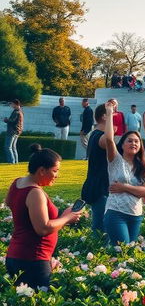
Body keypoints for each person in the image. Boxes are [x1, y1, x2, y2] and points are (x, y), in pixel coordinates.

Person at [5, 144, 83, 289]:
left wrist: (62, 215)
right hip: (32, 259)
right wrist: (67, 218)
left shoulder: (17, 183)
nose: (57, 175)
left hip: (16, 255)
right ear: (41, 170)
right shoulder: (35, 192)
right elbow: (43, 228)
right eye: (55, 171)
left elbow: (10, 203)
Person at [103, 101, 145, 245]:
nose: (133, 144)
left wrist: (124, 187)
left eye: (137, 141)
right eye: (129, 141)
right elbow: (109, 139)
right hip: (116, 213)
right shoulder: (115, 160)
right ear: (122, 144)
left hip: (136, 215)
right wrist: (110, 112)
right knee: (121, 250)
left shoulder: (143, 166)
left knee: (130, 253)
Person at [81, 103, 109, 232]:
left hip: (96, 185)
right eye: (111, 114)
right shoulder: (100, 136)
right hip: (100, 187)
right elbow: (109, 139)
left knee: (100, 225)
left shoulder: (95, 134)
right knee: (100, 228)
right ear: (104, 116)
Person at [3, 99, 23, 164]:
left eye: (12, 104)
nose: (11, 105)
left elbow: (12, 121)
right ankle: (15, 162)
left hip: (12, 131)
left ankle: (11, 162)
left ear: (16, 104)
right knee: (13, 148)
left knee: (8, 147)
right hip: (17, 131)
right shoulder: (20, 111)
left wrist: (6, 120)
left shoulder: (16, 112)